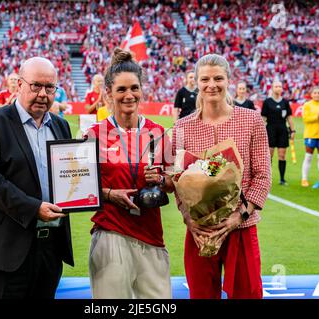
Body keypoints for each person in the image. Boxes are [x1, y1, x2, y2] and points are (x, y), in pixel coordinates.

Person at [0, 57, 74, 299]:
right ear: (20, 84)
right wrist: (34, 208)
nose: (43, 94)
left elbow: (67, 177)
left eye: (50, 87)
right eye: (36, 86)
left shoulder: (61, 126)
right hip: (1, 249)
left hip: (48, 247)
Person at [172, 54, 271, 299]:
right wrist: (187, 217)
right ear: (196, 82)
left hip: (242, 226)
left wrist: (240, 215)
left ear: (228, 80)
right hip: (199, 230)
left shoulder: (251, 120)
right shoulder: (182, 127)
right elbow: (177, 181)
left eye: (218, 78)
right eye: (205, 79)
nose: (211, 85)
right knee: (202, 294)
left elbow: (262, 174)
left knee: (248, 293)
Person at [84, 48, 174, 299]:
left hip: (152, 236)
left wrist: (163, 180)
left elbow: (173, 181)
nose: (129, 95)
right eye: (121, 89)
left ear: (142, 89)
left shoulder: (158, 133)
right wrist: (109, 194)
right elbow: (78, 188)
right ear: (109, 93)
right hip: (111, 234)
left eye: (134, 88)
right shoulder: (93, 135)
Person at [261, 81, 295, 185]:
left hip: (283, 130)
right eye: (276, 86)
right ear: (272, 88)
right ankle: (267, 179)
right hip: (270, 129)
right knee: (269, 155)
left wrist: (293, 130)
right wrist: (261, 131)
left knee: (282, 155)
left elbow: (289, 117)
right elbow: (263, 118)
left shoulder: (285, 102)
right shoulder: (267, 102)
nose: (278, 88)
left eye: (280, 86)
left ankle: (282, 179)